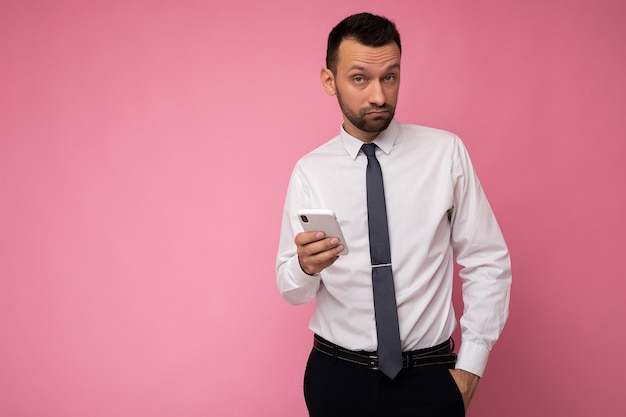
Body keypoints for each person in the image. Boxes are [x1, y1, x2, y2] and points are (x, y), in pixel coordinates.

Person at [276, 12, 511, 417]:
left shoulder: (445, 154)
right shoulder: (310, 172)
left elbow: (487, 259)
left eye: (390, 76)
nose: (379, 96)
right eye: (360, 78)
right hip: (337, 379)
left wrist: (471, 366)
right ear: (330, 81)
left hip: (429, 379)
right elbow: (291, 290)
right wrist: (304, 267)